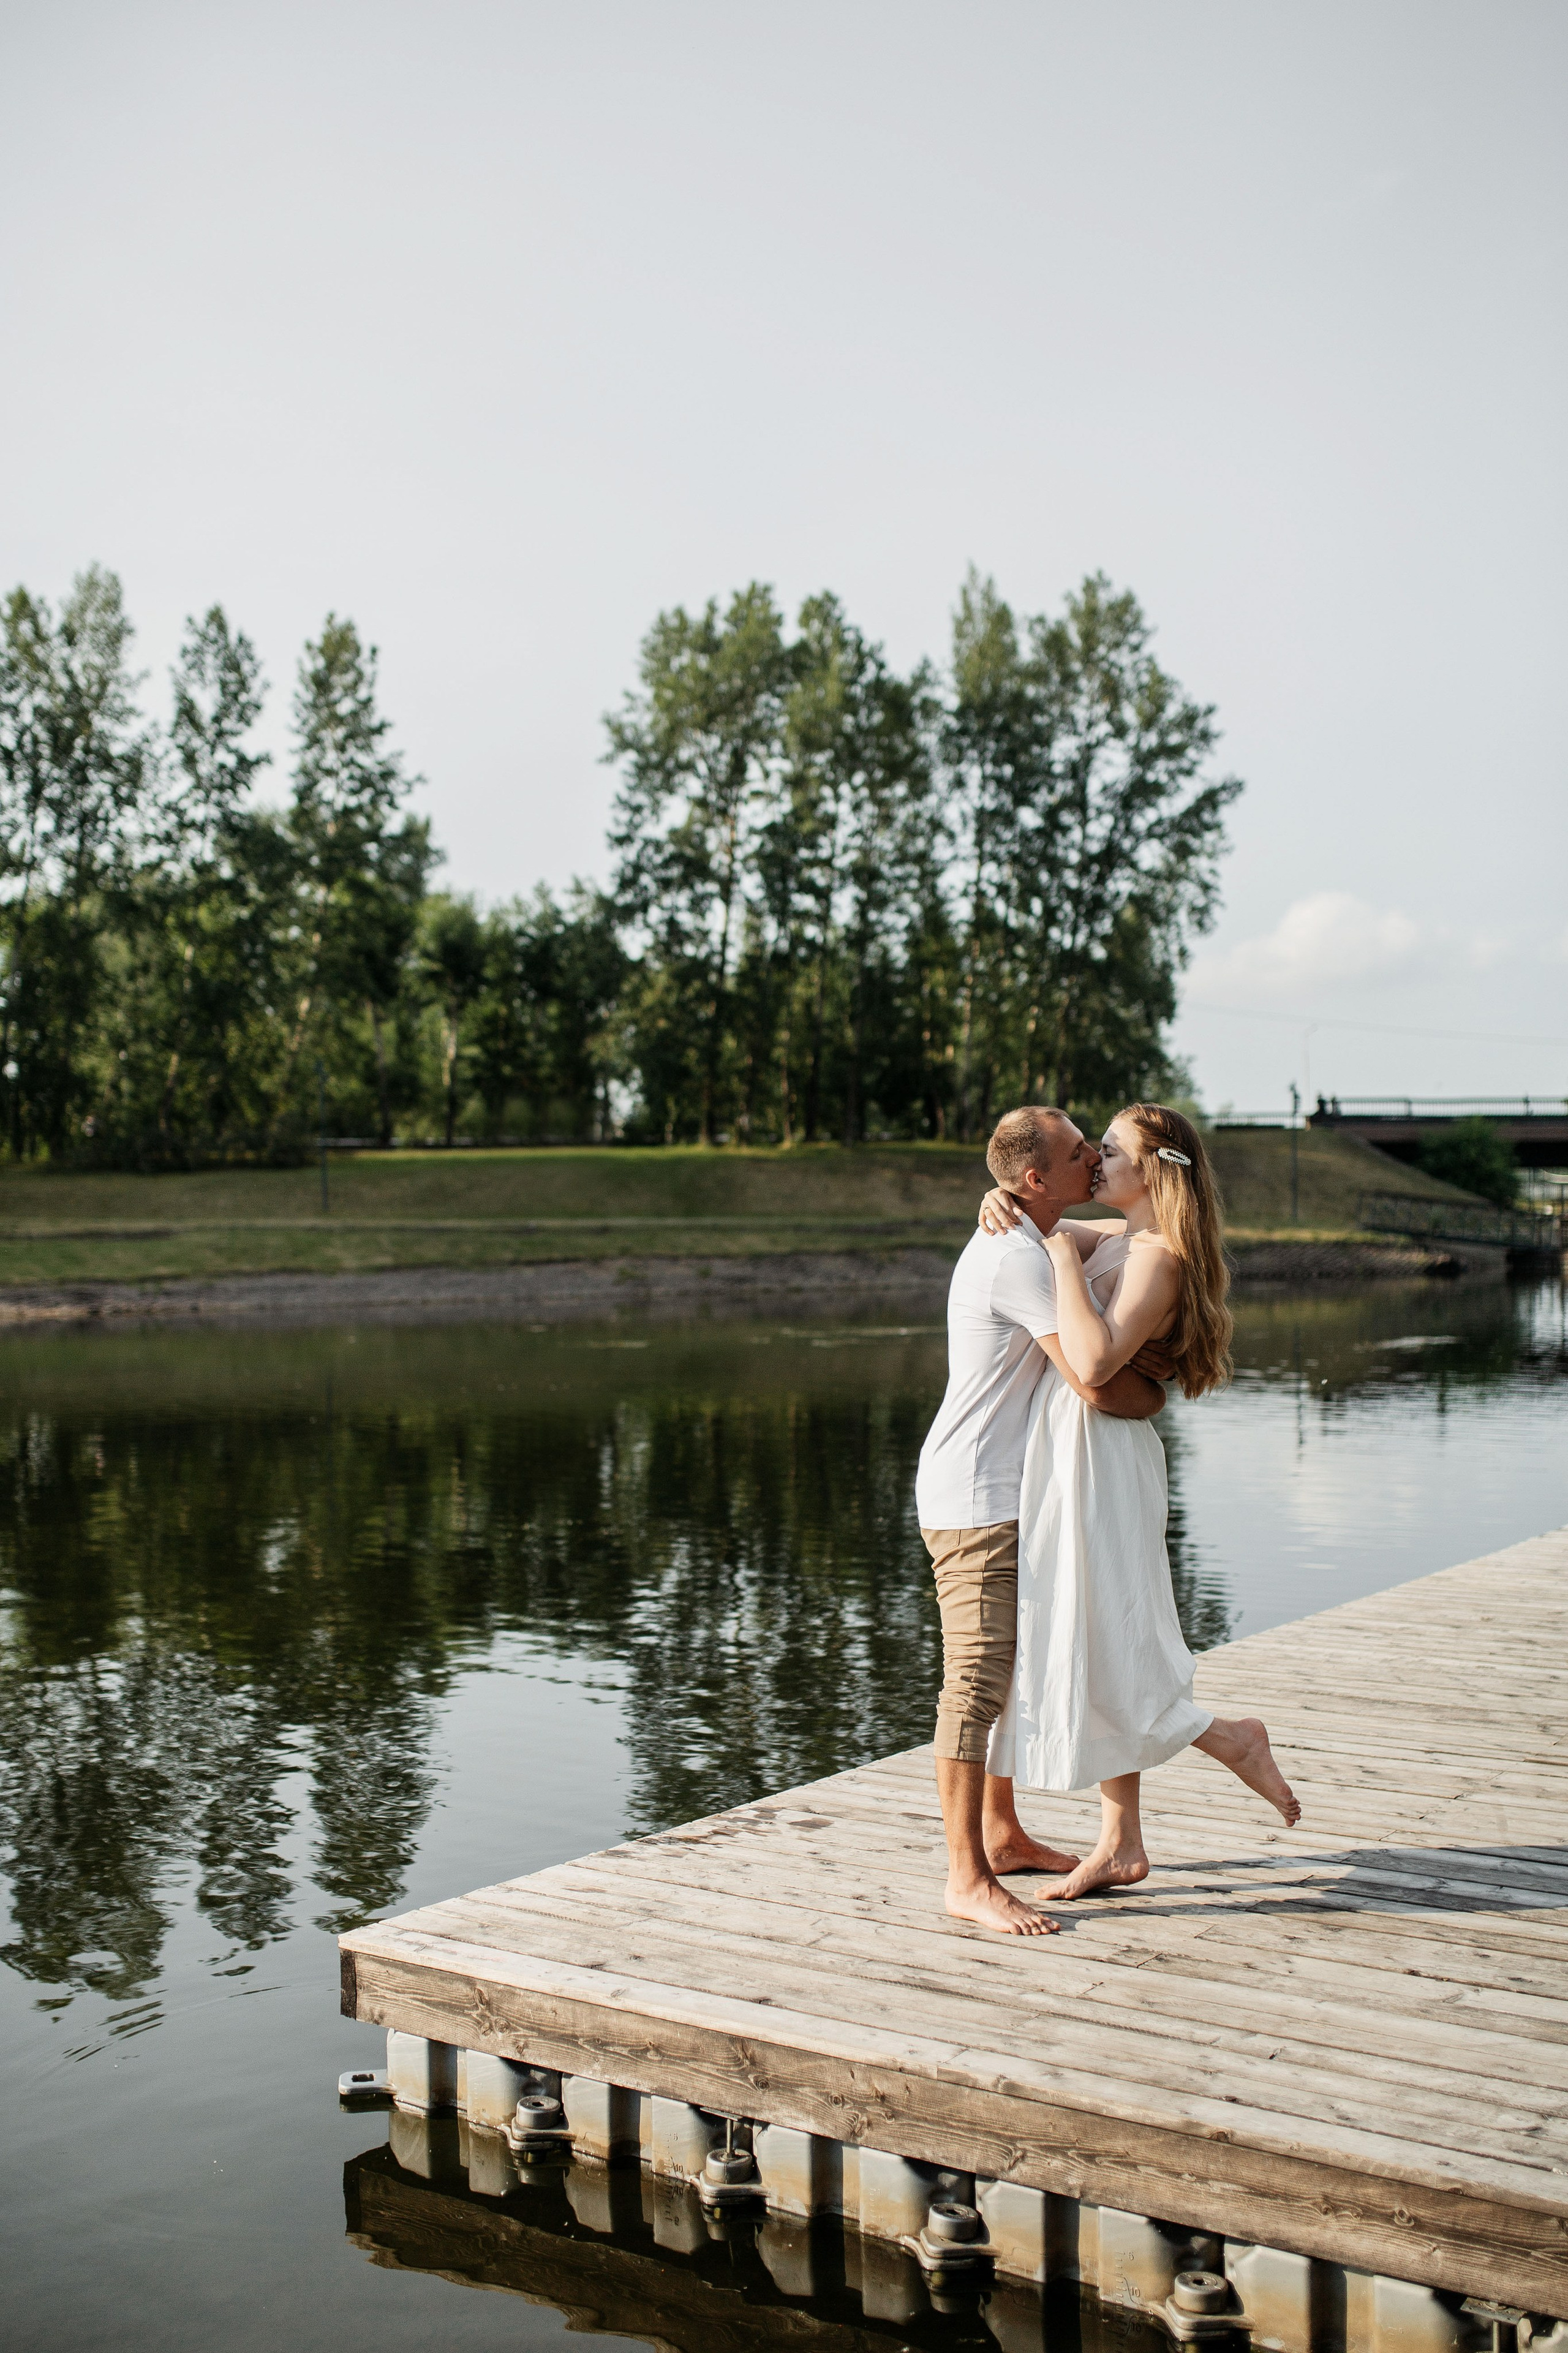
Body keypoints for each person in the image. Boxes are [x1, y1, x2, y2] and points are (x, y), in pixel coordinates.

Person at [976, 1101, 1300, 1902]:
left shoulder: (1158, 1258)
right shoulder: (1124, 1236)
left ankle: (1229, 1738)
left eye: (1111, 1151)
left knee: (1116, 1624)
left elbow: (1088, 1359)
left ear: (1153, 1168)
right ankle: (1121, 1841)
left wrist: (1052, 1254)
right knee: (1097, 1627)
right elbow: (1046, 1228)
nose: (1097, 1163)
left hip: (1104, 1458)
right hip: (1075, 1449)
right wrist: (1007, 1205)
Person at [914, 1105, 1174, 1936]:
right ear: (1036, 1179)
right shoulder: (1019, 1257)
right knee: (977, 1678)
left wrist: (1010, 1204)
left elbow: (1113, 1234)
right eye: (1077, 1151)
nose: (1093, 1154)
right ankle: (966, 1877)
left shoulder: (1029, 1233)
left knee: (1010, 1669)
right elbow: (1095, 1380)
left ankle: (1002, 1833)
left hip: (1005, 1490)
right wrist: (1160, 1395)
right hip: (975, 1497)